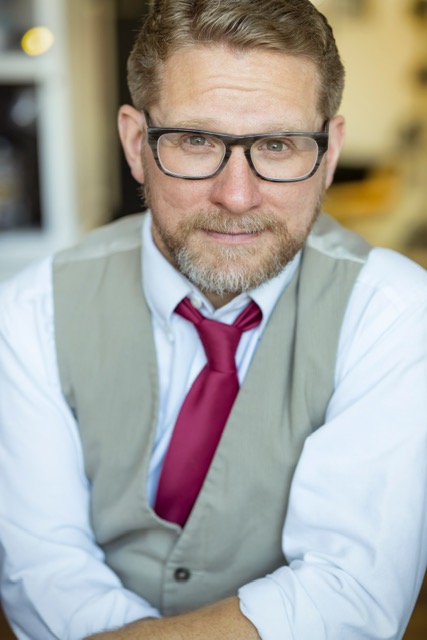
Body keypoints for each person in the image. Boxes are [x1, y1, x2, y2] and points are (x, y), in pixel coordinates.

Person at [0, 0, 427, 638]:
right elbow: (44, 574)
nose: (236, 196)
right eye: (197, 140)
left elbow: (348, 595)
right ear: (137, 144)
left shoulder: (392, 313)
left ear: (330, 151)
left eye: (278, 145)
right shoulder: (33, 312)